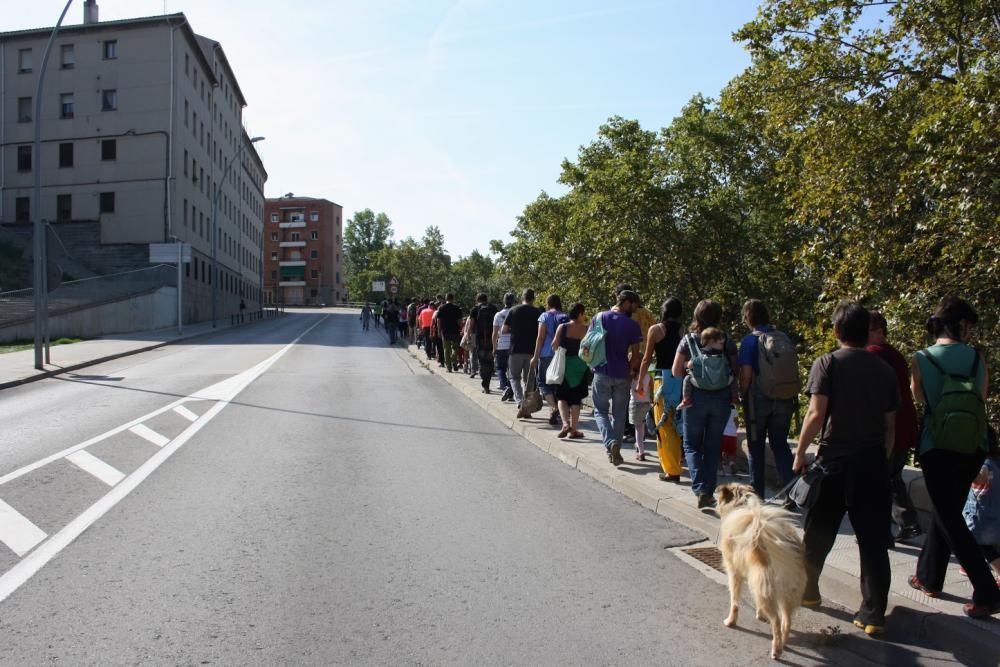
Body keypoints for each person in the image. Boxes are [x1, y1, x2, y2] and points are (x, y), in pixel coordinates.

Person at [792, 302, 899, 636]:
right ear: (866, 332)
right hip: (871, 462)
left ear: (837, 331)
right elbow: (890, 425)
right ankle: (873, 614)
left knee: (819, 530)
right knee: (872, 539)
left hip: (834, 461)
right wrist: (882, 458)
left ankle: (808, 592)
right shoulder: (884, 370)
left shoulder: (827, 363)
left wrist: (800, 452)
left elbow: (815, 414)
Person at [909, 297, 1000, 619]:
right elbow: (983, 395)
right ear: (961, 325)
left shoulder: (923, 358)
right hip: (972, 445)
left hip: (938, 445)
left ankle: (987, 591)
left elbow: (918, 397)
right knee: (946, 510)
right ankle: (928, 577)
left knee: (949, 516)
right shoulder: (977, 358)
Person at [671, 300, 738, 509]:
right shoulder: (726, 340)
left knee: (691, 445)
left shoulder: (688, 340)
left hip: (695, 398)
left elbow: (675, 371)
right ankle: (709, 491)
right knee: (712, 445)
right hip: (721, 399)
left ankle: (700, 489)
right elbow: (735, 369)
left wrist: (691, 368)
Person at [867, 310, 922, 541]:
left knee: (879, 481)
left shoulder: (873, 354)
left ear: (879, 332)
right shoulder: (896, 355)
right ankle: (908, 523)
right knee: (893, 477)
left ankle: (882, 531)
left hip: (887, 429)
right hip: (905, 426)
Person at [737, 299, 797, 500]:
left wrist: (741, 393)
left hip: (758, 401)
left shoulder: (750, 341)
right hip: (785, 398)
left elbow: (746, 375)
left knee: (756, 447)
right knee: (780, 444)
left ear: (748, 317)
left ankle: (757, 496)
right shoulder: (782, 337)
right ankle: (793, 494)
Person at [590, 290, 643, 466]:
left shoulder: (599, 317)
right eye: (635, 305)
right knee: (620, 414)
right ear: (626, 302)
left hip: (601, 371)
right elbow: (636, 355)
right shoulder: (632, 325)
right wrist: (629, 370)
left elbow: (589, 343)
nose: (636, 309)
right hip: (622, 374)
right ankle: (616, 449)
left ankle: (610, 443)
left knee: (600, 411)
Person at [638, 297, 685, 483]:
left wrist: (640, 381)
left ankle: (671, 470)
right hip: (680, 379)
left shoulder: (656, 329)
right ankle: (675, 463)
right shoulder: (684, 330)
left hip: (662, 381)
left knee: (663, 425)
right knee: (677, 424)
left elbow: (647, 358)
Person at [552, 302, 590, 439]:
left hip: (565, 366)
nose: (584, 316)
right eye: (583, 313)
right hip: (580, 366)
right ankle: (574, 430)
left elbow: (554, 346)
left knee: (562, 397)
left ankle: (565, 424)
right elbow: (588, 349)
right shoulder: (587, 329)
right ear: (579, 314)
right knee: (576, 399)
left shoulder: (562, 327)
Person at [964, 443, 1000, 587]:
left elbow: (978, 479)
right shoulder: (997, 461)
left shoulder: (984, 464)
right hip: (994, 512)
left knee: (984, 547)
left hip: (983, 516)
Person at [530, 295, 566, 426]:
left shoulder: (544, 316)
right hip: (561, 355)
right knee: (557, 383)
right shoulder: (565, 317)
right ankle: (554, 413)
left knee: (543, 383)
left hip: (546, 354)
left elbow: (540, 337)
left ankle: (555, 408)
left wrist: (535, 356)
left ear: (548, 303)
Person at [503, 289, 542, 408]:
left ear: (522, 297)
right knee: (529, 379)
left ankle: (520, 402)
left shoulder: (513, 310)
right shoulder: (538, 312)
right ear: (533, 298)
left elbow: (504, 330)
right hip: (531, 350)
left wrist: (513, 330)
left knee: (514, 377)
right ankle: (527, 404)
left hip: (515, 349)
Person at [678, 327, 727, 410]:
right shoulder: (722, 355)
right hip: (721, 384)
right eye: (721, 343)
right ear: (711, 341)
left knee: (687, 379)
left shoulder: (700, 355)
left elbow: (690, 364)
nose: (722, 346)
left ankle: (686, 399)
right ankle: (735, 396)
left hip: (702, 382)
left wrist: (685, 364)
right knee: (732, 377)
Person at [470, 293, 498, 394]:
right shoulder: (493, 308)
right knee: (490, 361)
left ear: (477, 299)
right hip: (491, 338)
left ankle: (485, 385)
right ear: (487, 299)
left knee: (482, 361)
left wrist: (468, 335)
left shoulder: (475, 309)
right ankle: (488, 383)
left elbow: (471, 324)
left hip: (480, 339)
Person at [493, 293, 516, 402]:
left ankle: (506, 386)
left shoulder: (498, 315)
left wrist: (494, 347)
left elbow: (495, 333)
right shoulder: (516, 314)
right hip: (513, 345)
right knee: (511, 371)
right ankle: (510, 392)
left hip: (501, 345)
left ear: (504, 301)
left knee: (500, 368)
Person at [435, 293, 463, 373]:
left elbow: (438, 320)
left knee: (446, 349)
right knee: (455, 348)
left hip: (445, 331)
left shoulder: (441, 308)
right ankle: (453, 359)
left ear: (446, 298)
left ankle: (449, 367)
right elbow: (460, 321)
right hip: (455, 331)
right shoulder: (457, 308)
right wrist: (460, 328)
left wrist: (439, 331)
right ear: (453, 298)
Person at [629, 371, 652, 461]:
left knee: (638, 428)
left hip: (635, 404)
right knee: (642, 426)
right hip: (646, 403)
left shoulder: (632, 375)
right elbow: (651, 388)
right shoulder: (648, 375)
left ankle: (641, 452)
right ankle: (638, 445)